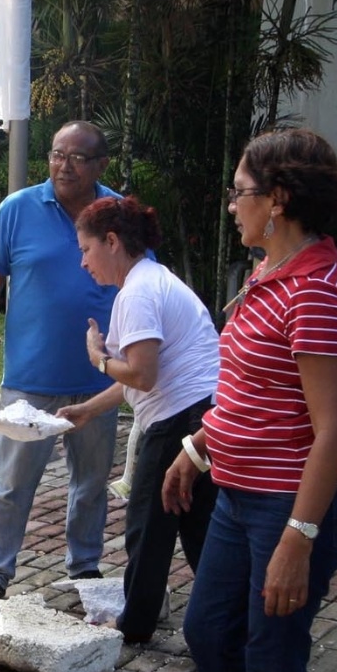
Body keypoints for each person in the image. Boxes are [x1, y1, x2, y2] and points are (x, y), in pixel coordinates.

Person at [153, 129, 337, 672]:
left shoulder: (315, 291)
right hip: (238, 494)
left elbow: (333, 427)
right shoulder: (268, 270)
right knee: (209, 633)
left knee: (272, 650)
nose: (232, 204)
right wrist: (196, 447)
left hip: (290, 508)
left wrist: (300, 539)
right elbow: (246, 389)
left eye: (240, 191)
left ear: (277, 201)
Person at [0, 122, 120, 600]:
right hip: (30, 379)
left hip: (99, 379)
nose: (63, 165)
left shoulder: (117, 214)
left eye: (76, 157)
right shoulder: (18, 209)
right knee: (11, 482)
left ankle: (85, 567)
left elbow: (139, 281)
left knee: (91, 484)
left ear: (100, 165)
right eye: (56, 154)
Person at [57, 195, 219, 643]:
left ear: (112, 242)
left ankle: (135, 625)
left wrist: (97, 359)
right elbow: (144, 375)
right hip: (203, 415)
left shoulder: (138, 292)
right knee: (197, 524)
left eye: (86, 250)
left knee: (148, 525)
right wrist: (89, 410)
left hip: (179, 420)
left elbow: (141, 376)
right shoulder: (154, 279)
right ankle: (225, 622)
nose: (84, 262)